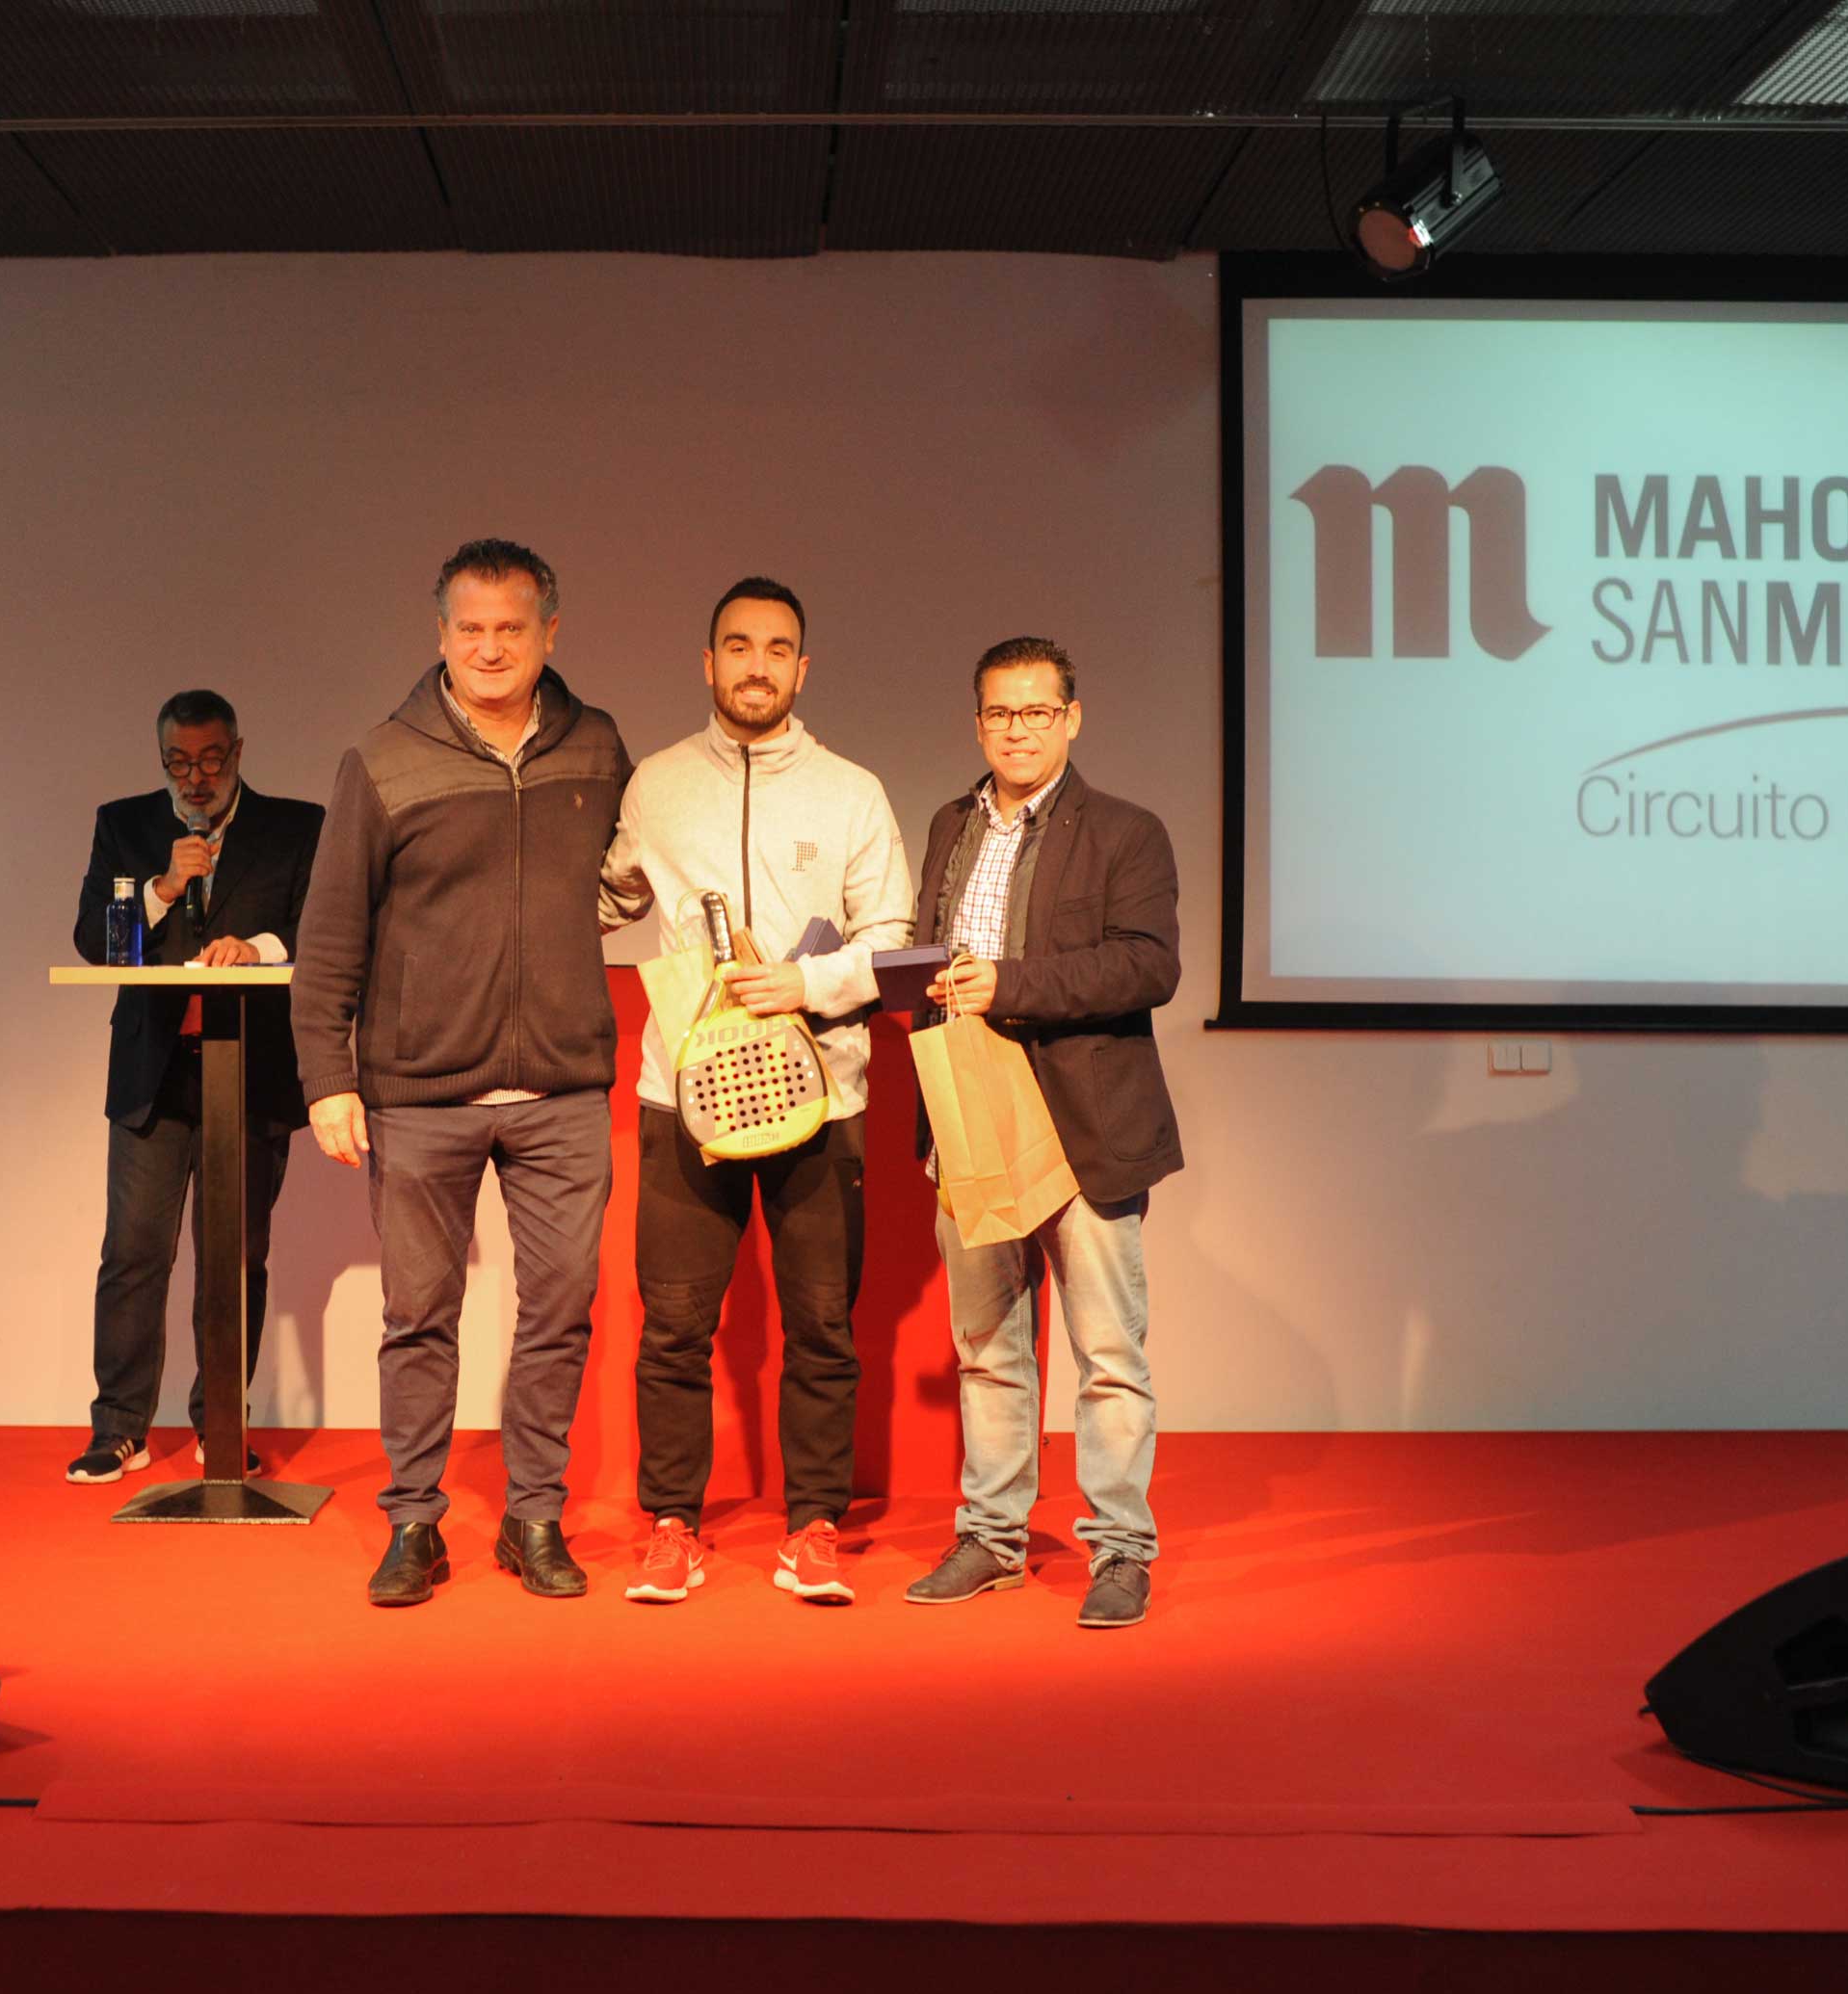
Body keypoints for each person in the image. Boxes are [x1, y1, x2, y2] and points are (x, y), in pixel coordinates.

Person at [292, 539, 632, 1606]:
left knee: (560, 1311)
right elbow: (330, 932)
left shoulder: (598, 746)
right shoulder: (382, 759)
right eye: (470, 628)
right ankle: (413, 1522)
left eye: (511, 628)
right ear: (440, 635)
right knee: (418, 1317)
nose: (490, 648)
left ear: (549, 634)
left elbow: (628, 875)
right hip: (420, 1094)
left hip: (563, 1090)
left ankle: (534, 1515)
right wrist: (328, 1077)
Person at [597, 576, 912, 1605]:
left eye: (778, 649)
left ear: (802, 669)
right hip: (683, 1094)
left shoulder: (852, 791)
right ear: (708, 661)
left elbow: (893, 938)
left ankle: (813, 1525)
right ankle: (672, 1526)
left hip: (823, 1098)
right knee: (673, 1325)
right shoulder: (654, 785)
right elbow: (605, 897)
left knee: (822, 1323)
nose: (757, 665)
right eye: (738, 645)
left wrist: (804, 984)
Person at [903, 637, 1181, 1628]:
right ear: (977, 722)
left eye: (1036, 711)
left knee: (1108, 1355)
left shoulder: (1127, 831)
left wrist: (1009, 984)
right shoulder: (950, 823)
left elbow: (1148, 965)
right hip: (970, 1111)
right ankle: (992, 1536)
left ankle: (1120, 1550)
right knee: (987, 1346)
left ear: (1072, 718)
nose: (1016, 729)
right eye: (999, 712)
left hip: (1084, 1121)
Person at [66, 691, 323, 1485]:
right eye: (179, 762)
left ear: (237, 752)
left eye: (211, 759)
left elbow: (325, 928)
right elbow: (94, 941)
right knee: (134, 1251)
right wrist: (162, 889)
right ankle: (119, 1429)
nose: (196, 777)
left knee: (236, 1256)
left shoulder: (295, 827)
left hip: (250, 1069)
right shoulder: (125, 824)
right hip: (155, 1071)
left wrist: (261, 947)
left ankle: (221, 1423)